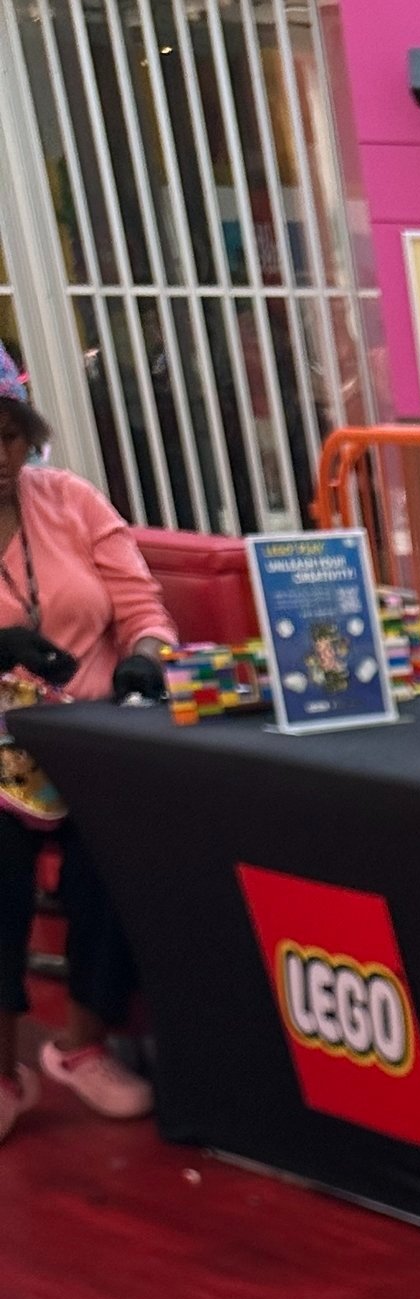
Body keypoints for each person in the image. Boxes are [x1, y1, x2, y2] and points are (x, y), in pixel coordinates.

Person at [0, 344, 174, 1140]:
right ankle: (4, 1073)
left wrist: (146, 659)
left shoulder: (70, 500)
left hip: (96, 735)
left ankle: (82, 1045)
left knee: (121, 849)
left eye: (9, 435)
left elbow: (144, 610)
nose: (0, 455)